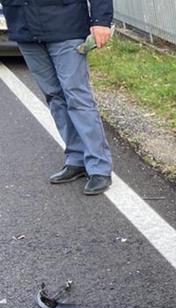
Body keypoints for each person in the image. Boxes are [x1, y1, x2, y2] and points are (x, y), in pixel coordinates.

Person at [2, 0, 114, 196]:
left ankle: (99, 166)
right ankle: (77, 158)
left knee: (77, 97)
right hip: (24, 28)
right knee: (54, 96)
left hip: (66, 26)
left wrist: (101, 20)